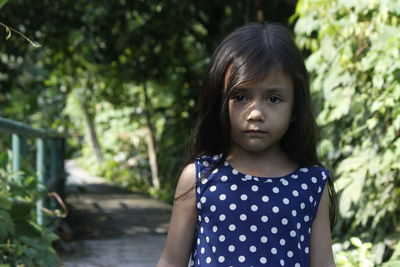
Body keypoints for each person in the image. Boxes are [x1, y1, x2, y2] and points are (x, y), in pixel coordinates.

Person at [157, 22, 336, 267]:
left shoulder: (311, 183)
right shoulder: (200, 178)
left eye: (273, 98)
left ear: (296, 107)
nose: (255, 113)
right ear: (220, 101)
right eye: (240, 97)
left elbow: (324, 263)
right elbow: (171, 260)